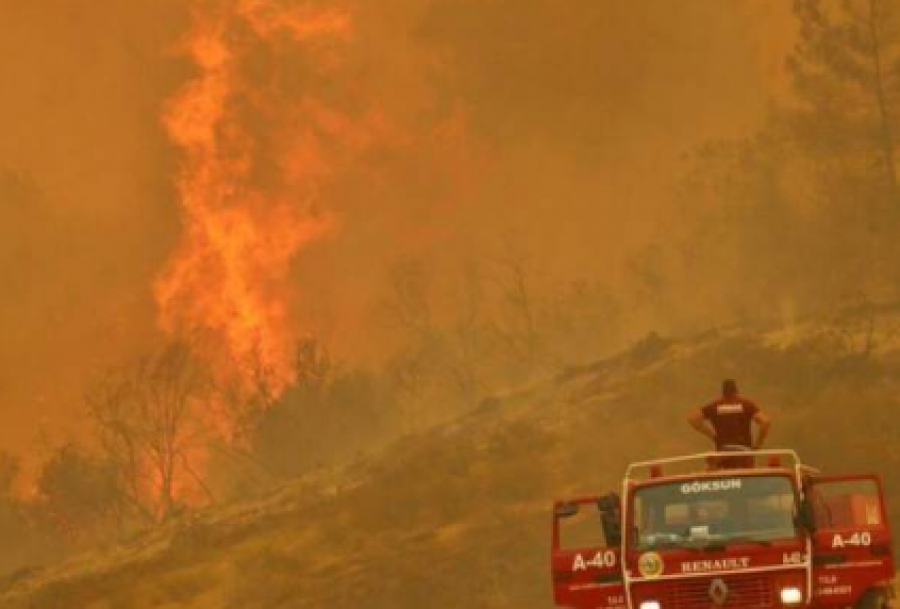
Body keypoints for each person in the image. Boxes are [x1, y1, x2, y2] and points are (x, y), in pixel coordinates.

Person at [688, 379, 771, 455]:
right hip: (744, 451)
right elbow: (765, 422)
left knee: (724, 471)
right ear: (736, 391)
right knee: (744, 471)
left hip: (723, 451)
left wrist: (712, 436)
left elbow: (693, 419)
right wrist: (757, 445)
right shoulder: (746, 405)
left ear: (723, 392)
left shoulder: (715, 406)